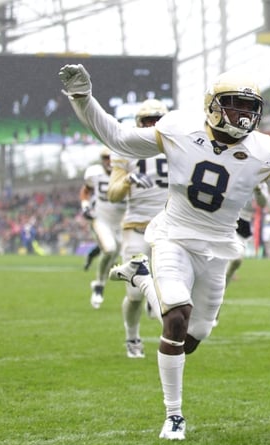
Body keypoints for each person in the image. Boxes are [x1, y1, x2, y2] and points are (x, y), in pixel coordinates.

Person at [60, 64, 270, 441]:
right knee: (177, 316)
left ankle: (142, 280)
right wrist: (83, 99)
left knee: (191, 338)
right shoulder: (178, 129)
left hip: (218, 248)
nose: (244, 115)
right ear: (213, 106)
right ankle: (174, 416)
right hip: (174, 236)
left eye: (250, 106)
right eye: (235, 105)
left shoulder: (264, 150)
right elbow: (120, 139)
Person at [106, 98, 169, 358]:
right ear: (138, 124)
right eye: (148, 121)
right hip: (137, 227)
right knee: (134, 293)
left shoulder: (179, 146)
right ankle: (132, 337)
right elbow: (112, 194)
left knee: (172, 287)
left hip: (168, 231)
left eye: (157, 120)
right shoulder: (125, 149)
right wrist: (129, 180)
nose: (153, 125)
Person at [80, 147, 125, 309]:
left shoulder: (126, 172)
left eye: (112, 158)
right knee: (109, 249)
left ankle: (100, 283)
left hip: (121, 222)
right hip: (101, 220)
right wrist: (85, 206)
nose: (109, 161)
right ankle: (99, 286)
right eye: (106, 158)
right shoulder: (95, 174)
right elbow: (86, 190)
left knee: (113, 258)